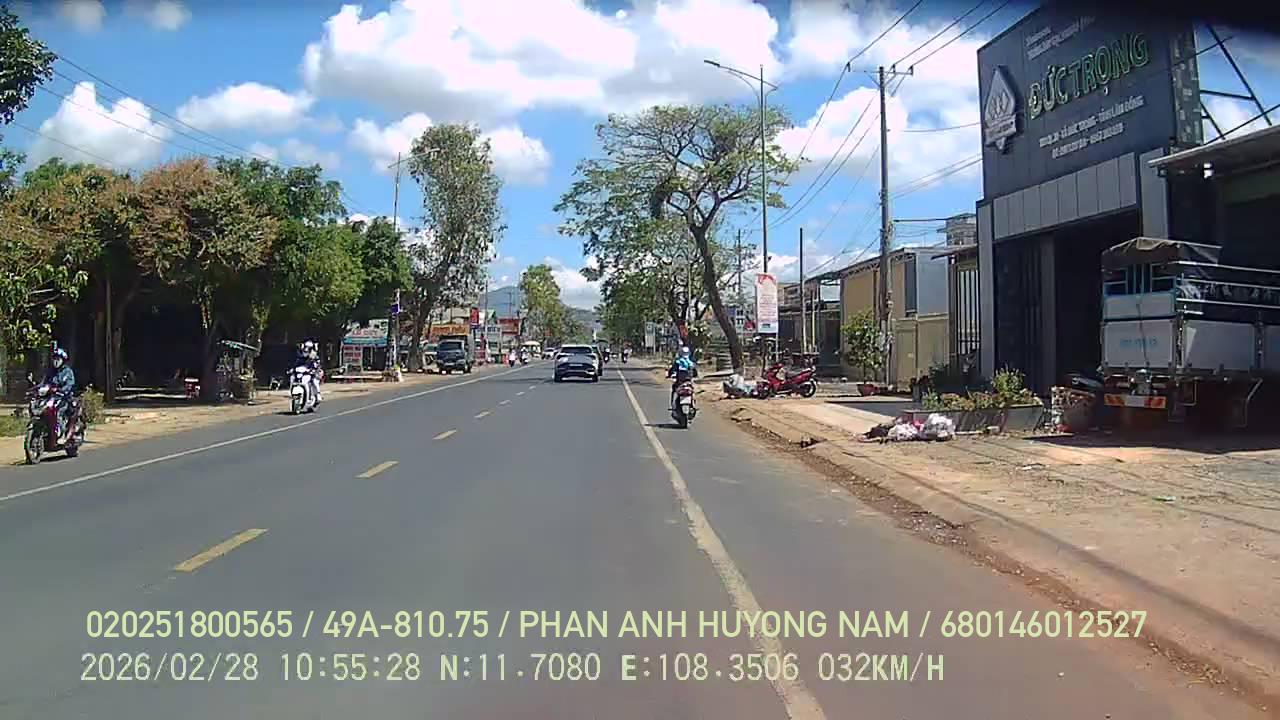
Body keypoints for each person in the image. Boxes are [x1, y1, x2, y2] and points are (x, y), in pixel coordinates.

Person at [42, 347, 76, 437]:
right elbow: (44, 383)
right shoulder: (50, 371)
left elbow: (70, 384)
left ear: (63, 360)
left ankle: (61, 430)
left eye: (58, 359)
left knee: (59, 412)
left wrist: (62, 390)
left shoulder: (68, 372)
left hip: (64, 397)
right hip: (51, 397)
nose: (56, 361)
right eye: (54, 359)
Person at [667, 345, 697, 410]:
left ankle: (673, 405)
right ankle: (694, 404)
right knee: (692, 390)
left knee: (674, 389)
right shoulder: (691, 363)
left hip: (679, 382)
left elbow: (672, 371)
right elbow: (695, 373)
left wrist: (670, 375)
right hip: (688, 382)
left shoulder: (677, 362)